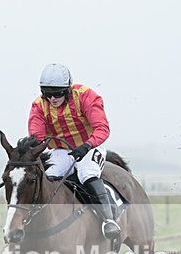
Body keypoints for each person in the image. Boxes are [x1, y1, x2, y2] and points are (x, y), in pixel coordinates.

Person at [28, 63, 121, 239]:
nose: (52, 99)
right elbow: (37, 137)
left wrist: (86, 146)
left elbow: (102, 128)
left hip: (89, 147)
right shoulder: (39, 105)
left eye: (57, 93)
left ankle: (108, 220)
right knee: (49, 177)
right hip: (61, 151)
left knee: (87, 173)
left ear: (67, 90)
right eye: (47, 93)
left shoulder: (86, 96)